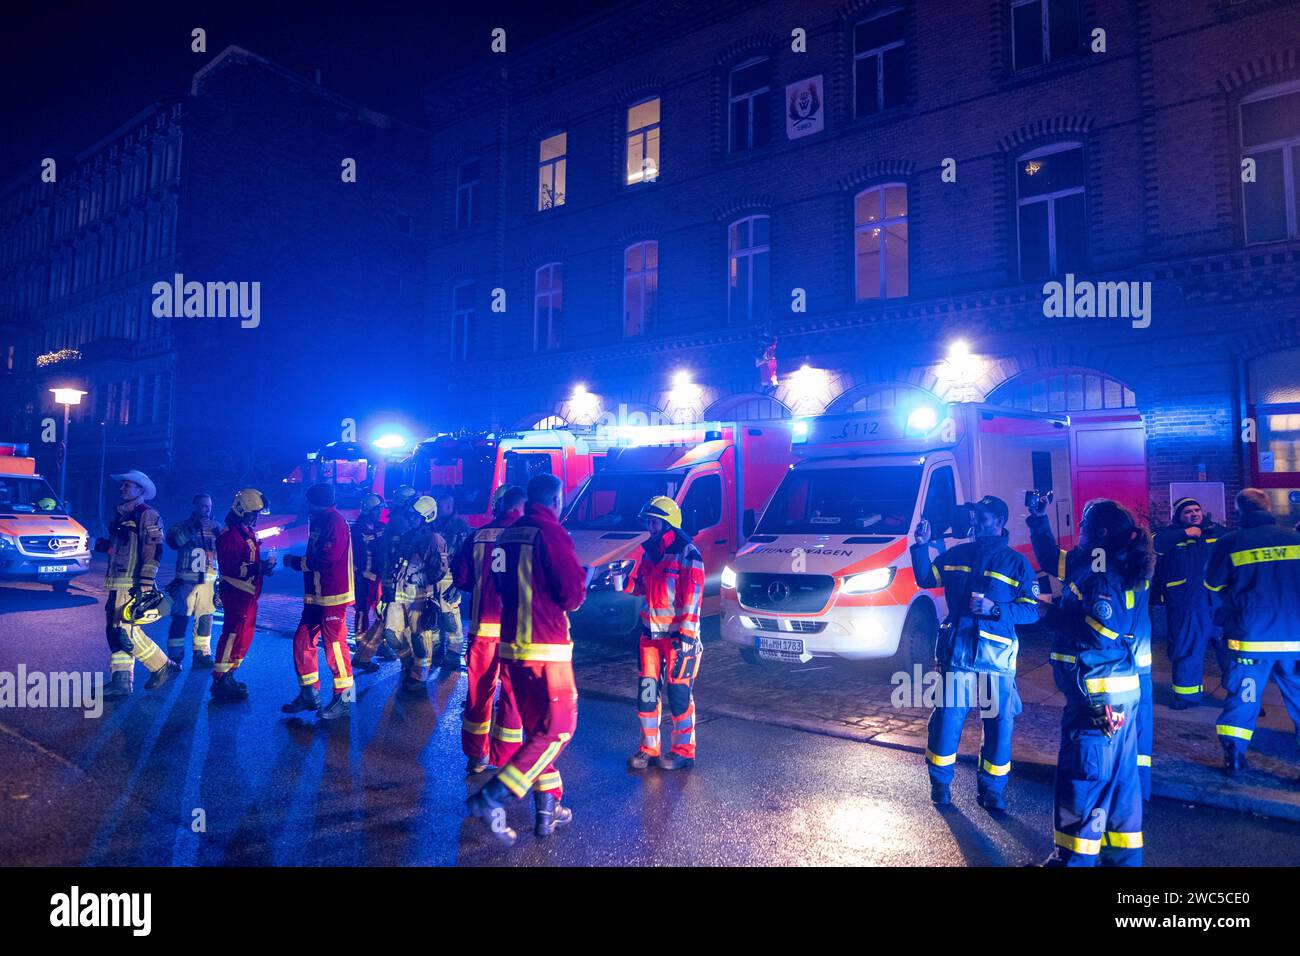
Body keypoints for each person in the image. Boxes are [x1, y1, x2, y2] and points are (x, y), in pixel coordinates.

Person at [465, 474, 586, 845]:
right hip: (546, 648)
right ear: (556, 499)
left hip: (512, 648)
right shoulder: (550, 532)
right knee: (559, 729)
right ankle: (493, 796)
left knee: (538, 734)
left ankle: (548, 809)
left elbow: (500, 586)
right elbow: (572, 594)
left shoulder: (507, 535)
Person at [1030, 499, 1152, 866]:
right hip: (1117, 696)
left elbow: (1101, 632)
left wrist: (1050, 613)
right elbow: (1054, 560)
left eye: (1082, 525)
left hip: (1097, 702)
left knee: (1083, 781)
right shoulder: (1109, 561)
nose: (1078, 530)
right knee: (1119, 788)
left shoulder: (1101, 575)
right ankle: (1123, 860)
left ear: (1099, 533)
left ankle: (1072, 861)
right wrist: (1038, 521)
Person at [910, 495, 1039, 812]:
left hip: (997, 658)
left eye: (982, 517)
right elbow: (927, 578)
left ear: (999, 522)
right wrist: (921, 546)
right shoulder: (957, 553)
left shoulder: (1016, 563)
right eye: (974, 516)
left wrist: (996, 609)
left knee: (999, 724)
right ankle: (940, 785)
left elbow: (1033, 611)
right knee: (947, 720)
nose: (975, 521)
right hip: (959, 653)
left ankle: (992, 790)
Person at [1205, 488, 1300, 775]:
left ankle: (1234, 755)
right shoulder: (1294, 539)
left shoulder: (1229, 543)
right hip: (1295, 636)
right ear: (1268, 507)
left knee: (1243, 697)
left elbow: (1212, 585)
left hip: (1249, 638)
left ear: (1239, 511)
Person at [627, 496, 705, 772]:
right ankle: (649, 748)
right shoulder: (650, 554)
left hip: (677, 639)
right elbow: (643, 588)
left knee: (679, 695)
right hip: (649, 636)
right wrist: (627, 582)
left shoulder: (688, 553)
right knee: (647, 694)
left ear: (668, 523)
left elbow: (692, 598)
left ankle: (684, 751)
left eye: (655, 522)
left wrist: (686, 635)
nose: (650, 526)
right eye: (648, 521)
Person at [453, 485, 526, 774]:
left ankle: (476, 755)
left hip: (483, 627)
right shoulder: (529, 536)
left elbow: (461, 577)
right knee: (512, 692)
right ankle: (505, 756)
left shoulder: (479, 535)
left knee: (478, 692)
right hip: (517, 631)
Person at [98, 470, 178, 698]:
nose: (122, 488)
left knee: (125, 631)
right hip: (116, 581)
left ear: (140, 491)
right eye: (122, 485)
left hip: (131, 582)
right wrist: (102, 546)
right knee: (114, 632)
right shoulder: (123, 515)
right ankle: (121, 682)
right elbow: (120, 548)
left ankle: (162, 666)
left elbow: (154, 550)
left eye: (128, 485)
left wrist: (145, 582)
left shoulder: (147, 514)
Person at [281, 483, 355, 720]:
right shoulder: (321, 518)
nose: (307, 505)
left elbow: (326, 559)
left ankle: (344, 699)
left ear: (317, 501)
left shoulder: (334, 522)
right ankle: (309, 694)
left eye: (309, 501)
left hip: (333, 595)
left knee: (335, 645)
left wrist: (295, 563)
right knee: (303, 640)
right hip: (316, 593)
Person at [1153, 497, 1230, 709]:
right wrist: (1183, 534)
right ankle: (1187, 697)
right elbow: (1155, 545)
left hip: (1220, 604)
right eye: (1187, 511)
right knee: (1187, 649)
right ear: (1178, 516)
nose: (1194, 514)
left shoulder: (1218, 533)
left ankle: (1242, 697)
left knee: (1231, 651)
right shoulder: (1168, 536)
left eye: (1197, 509)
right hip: (1188, 606)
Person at [210, 489, 277, 701]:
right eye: (252, 514)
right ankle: (220, 679)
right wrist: (259, 568)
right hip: (236, 593)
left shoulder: (244, 532)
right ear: (241, 511)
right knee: (231, 635)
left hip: (248, 595)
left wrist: (262, 567)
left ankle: (229, 674)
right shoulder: (229, 535)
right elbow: (231, 567)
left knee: (243, 636)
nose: (255, 519)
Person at [352, 485, 420, 668]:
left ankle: (366, 654)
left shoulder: (388, 524)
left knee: (385, 615)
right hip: (378, 578)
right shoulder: (399, 523)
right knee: (382, 614)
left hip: (383, 576)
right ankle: (366, 651)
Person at [165, 493, 221, 668]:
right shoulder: (181, 526)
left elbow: (224, 552)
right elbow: (174, 542)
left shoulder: (216, 528)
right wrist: (193, 528)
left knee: (205, 619)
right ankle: (175, 657)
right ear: (195, 506)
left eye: (208, 507)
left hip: (209, 584)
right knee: (180, 619)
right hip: (185, 584)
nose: (205, 510)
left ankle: (202, 654)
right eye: (202, 506)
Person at [430, 490, 471, 669]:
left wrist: (458, 584)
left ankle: (454, 653)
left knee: (450, 615)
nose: (437, 509)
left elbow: (464, 556)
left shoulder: (460, 527)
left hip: (450, 579)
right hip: (432, 578)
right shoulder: (433, 524)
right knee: (433, 615)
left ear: (449, 506)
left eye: (440, 506)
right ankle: (436, 651)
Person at [350, 493, 386, 642]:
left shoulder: (381, 527)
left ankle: (383, 643)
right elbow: (352, 556)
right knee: (362, 610)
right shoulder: (356, 530)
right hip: (363, 579)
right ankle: (361, 642)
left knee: (382, 611)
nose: (380, 513)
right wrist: (360, 573)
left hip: (381, 578)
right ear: (368, 510)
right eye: (377, 510)